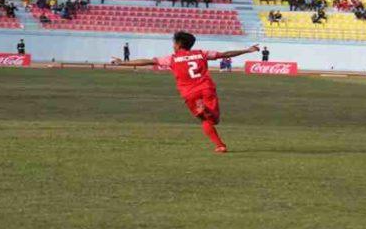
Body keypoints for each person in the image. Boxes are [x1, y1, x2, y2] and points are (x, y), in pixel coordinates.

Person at [111, 32, 260, 153]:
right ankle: (207, 112)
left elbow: (149, 61)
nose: (173, 46)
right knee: (215, 120)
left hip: (189, 93)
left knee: (205, 120)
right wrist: (247, 50)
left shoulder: (172, 58)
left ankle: (220, 146)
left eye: (174, 43)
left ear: (179, 44)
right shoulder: (202, 53)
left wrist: (123, 62)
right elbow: (225, 54)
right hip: (206, 88)